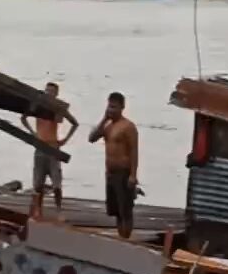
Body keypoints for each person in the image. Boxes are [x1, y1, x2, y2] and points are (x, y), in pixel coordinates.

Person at [21, 82, 78, 220]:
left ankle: (59, 210)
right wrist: (32, 133)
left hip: (53, 148)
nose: (49, 94)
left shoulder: (58, 108)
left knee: (56, 183)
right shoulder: (38, 106)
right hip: (40, 147)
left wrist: (65, 140)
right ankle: (38, 210)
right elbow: (23, 117)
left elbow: (74, 123)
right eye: (47, 91)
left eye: (52, 91)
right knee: (38, 183)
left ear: (56, 94)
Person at [88, 91, 139, 239]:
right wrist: (104, 119)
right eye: (109, 106)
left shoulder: (128, 126)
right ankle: (121, 236)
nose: (111, 110)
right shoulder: (108, 126)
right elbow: (91, 138)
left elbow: (134, 151)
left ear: (122, 107)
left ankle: (126, 238)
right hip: (110, 172)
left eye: (114, 107)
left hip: (123, 172)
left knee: (125, 210)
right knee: (116, 210)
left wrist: (133, 175)